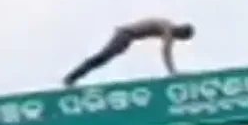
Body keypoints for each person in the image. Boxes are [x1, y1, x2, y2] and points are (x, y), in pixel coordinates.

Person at [63, 18, 195, 87]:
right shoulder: (168, 29)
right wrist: (173, 72)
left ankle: (73, 77)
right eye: (181, 37)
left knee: (103, 59)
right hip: (125, 34)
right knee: (101, 57)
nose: (178, 39)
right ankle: (71, 77)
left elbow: (166, 50)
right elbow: (166, 52)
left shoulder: (168, 27)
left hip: (128, 38)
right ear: (181, 31)